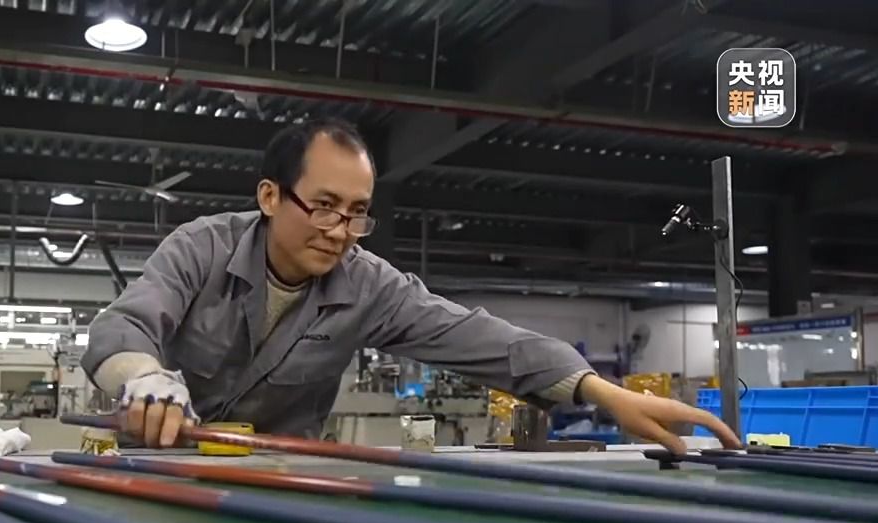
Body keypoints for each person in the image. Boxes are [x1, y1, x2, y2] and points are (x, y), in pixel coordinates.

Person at [81, 117, 741, 453]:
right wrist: (146, 378)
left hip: (275, 479)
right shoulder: (201, 248)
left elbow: (484, 339)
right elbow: (122, 328)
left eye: (356, 213)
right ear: (270, 196)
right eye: (324, 206)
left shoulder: (367, 285)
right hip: (160, 466)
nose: (340, 231)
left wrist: (605, 393)